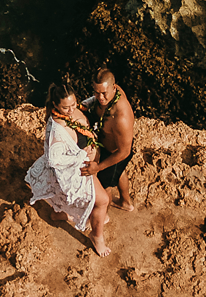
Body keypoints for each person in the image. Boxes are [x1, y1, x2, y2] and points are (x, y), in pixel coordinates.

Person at [24, 78, 111, 257]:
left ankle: (60, 215)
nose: (71, 109)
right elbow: (53, 159)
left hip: (87, 163)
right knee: (102, 201)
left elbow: (89, 103)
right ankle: (97, 237)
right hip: (79, 169)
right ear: (56, 105)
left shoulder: (75, 109)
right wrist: (81, 155)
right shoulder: (57, 129)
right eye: (66, 107)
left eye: (73, 104)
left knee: (84, 202)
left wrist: (106, 96)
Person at [86, 67, 136, 210]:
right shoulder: (111, 92)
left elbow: (124, 152)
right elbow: (96, 98)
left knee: (104, 185)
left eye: (104, 93)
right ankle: (126, 202)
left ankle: (103, 216)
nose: (100, 97)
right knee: (120, 173)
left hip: (115, 152)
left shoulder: (121, 118)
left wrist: (98, 167)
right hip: (106, 144)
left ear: (113, 88)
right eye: (96, 92)